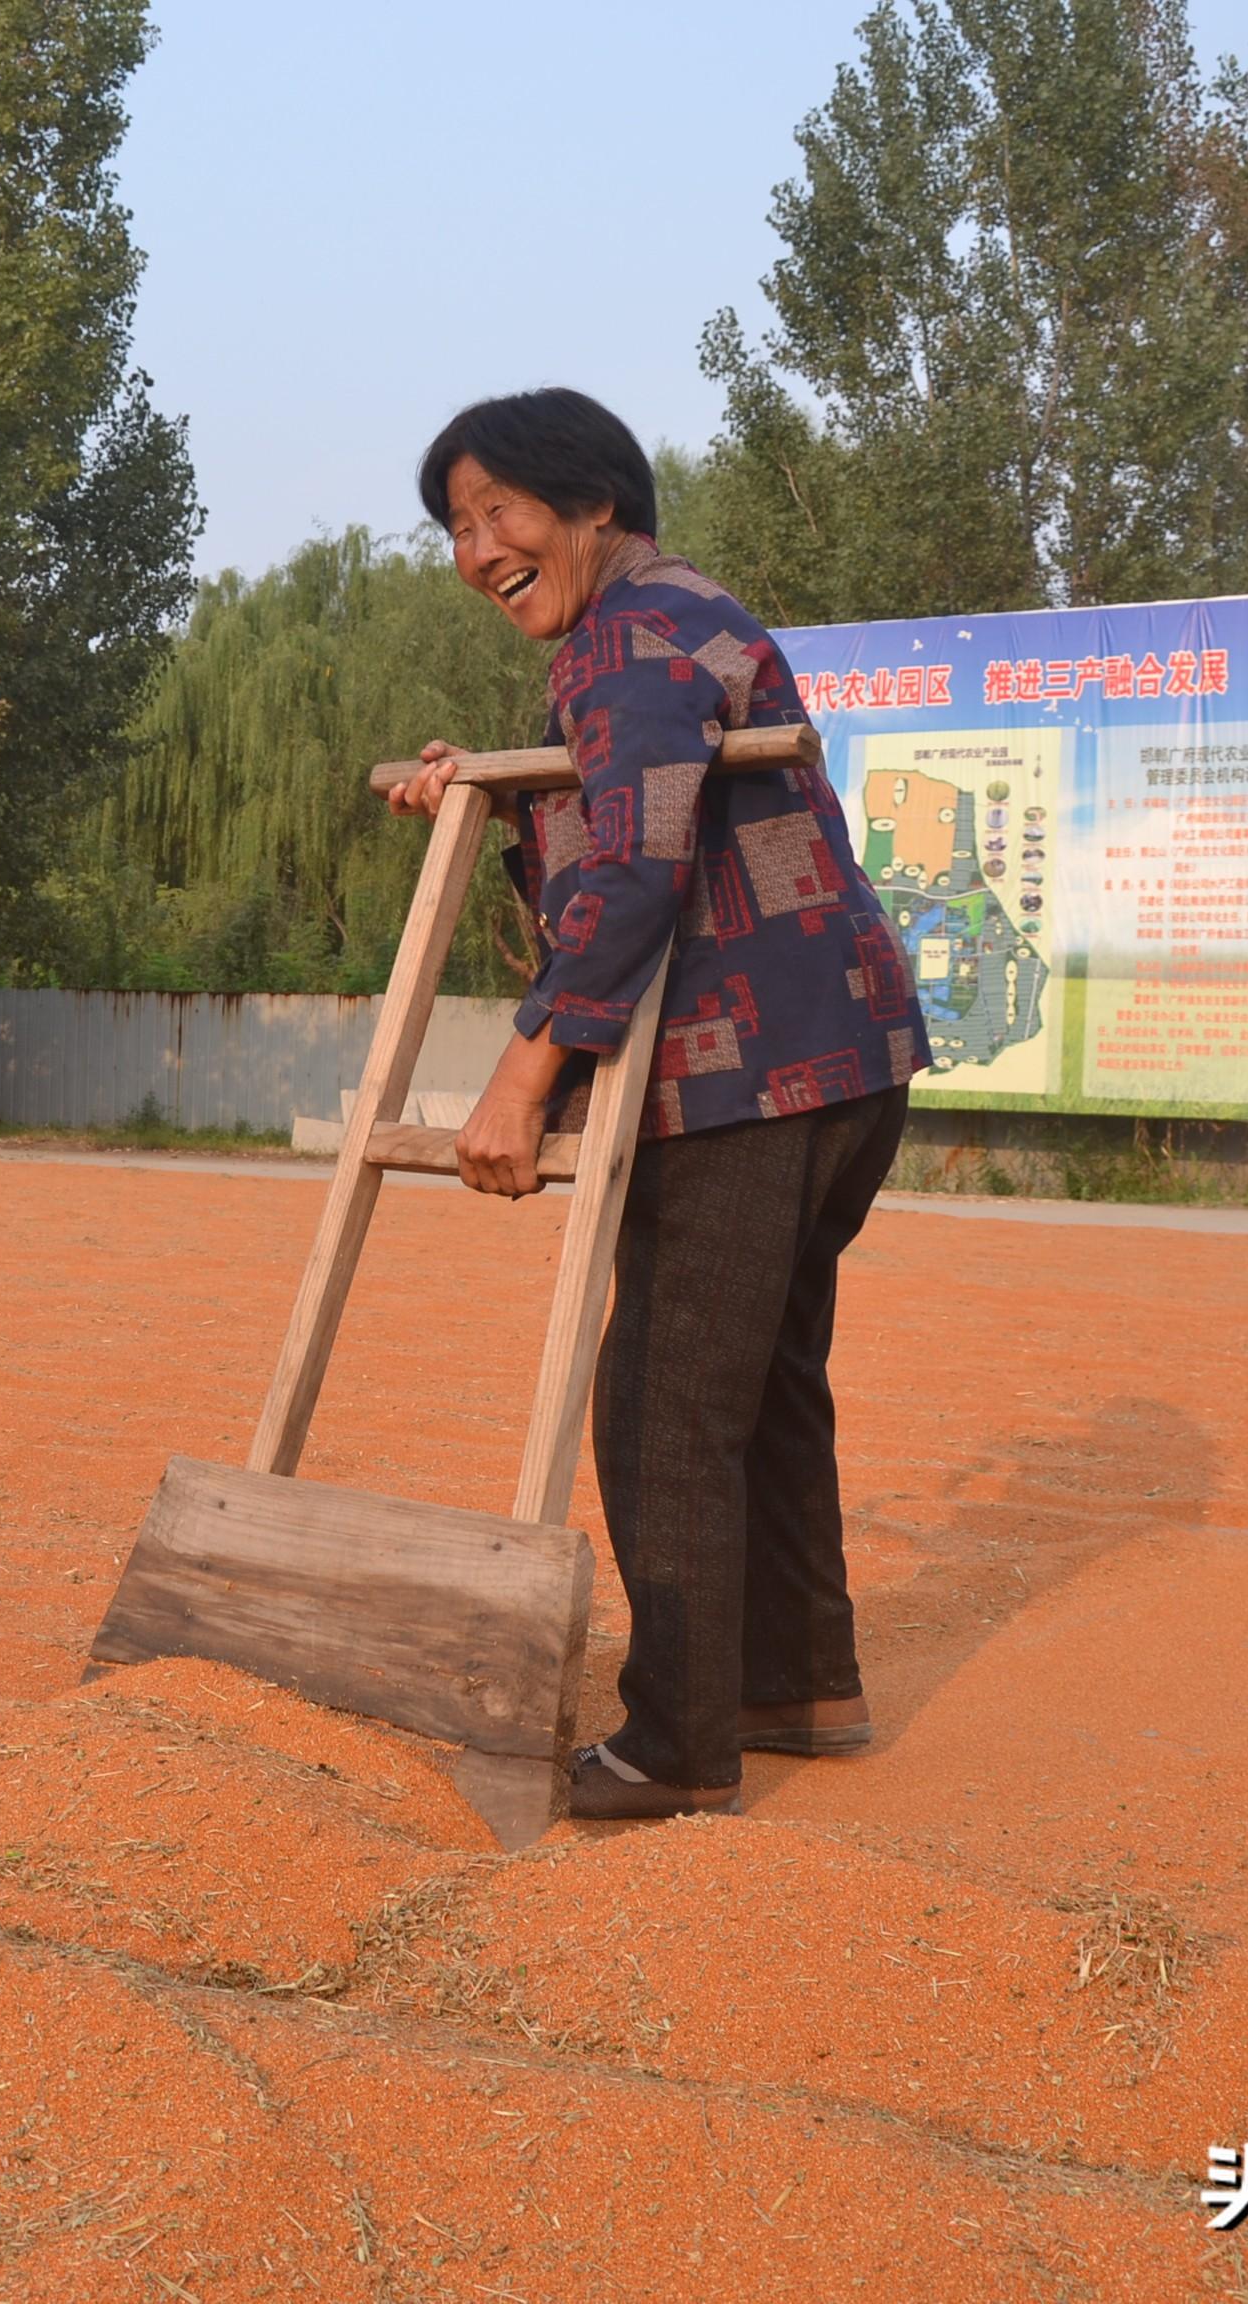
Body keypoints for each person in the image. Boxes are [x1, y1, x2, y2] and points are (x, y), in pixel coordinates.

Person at [390, 388, 931, 1822]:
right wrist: (498, 796)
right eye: (457, 525)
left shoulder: (622, 637)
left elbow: (635, 871)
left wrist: (525, 1071)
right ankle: (790, 1684)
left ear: (595, 502)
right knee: (764, 1385)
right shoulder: (673, 618)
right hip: (842, 1056)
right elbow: (634, 818)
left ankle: (680, 1746)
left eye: (501, 510)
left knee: (661, 1407)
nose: (479, 547)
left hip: (749, 1072)